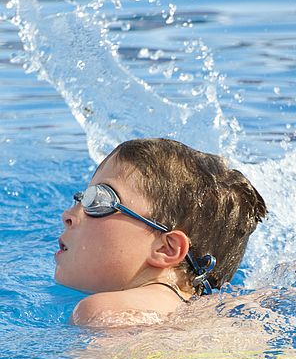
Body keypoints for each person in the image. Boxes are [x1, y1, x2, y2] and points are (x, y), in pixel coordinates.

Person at [55, 138, 267, 326]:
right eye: (83, 198)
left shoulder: (105, 311)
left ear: (167, 248)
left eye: (100, 200)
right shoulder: (220, 316)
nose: (68, 215)